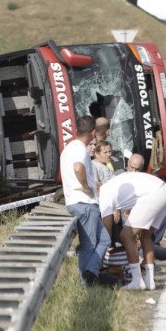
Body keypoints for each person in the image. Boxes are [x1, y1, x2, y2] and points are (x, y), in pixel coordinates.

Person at [99, 171, 166, 289]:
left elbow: (106, 228)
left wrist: (101, 250)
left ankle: (137, 281)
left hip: (152, 194)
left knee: (126, 236)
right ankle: (149, 280)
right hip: (165, 190)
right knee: (146, 236)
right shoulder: (114, 185)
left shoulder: (103, 193)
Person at [62, 115, 111, 286]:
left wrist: (91, 182)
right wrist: (86, 186)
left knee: (105, 239)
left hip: (83, 203)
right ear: (92, 132)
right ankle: (87, 283)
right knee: (88, 245)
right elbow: (78, 168)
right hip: (84, 203)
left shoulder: (70, 147)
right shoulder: (79, 149)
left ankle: (91, 272)